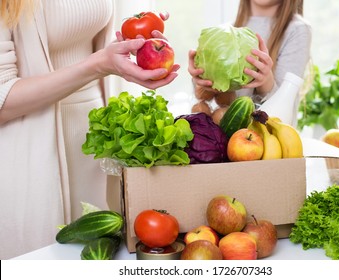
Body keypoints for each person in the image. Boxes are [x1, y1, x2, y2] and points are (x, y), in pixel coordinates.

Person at [0, 0, 178, 259]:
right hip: (30, 155)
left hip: (94, 144)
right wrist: (99, 65)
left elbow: (86, 36)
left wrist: (135, 42)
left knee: (99, 256)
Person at [188, 0, 311, 104]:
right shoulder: (225, 30)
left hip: (268, 132)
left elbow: (285, 103)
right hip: (228, 132)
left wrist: (266, 81)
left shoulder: (297, 29)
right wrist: (201, 78)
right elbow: (209, 101)